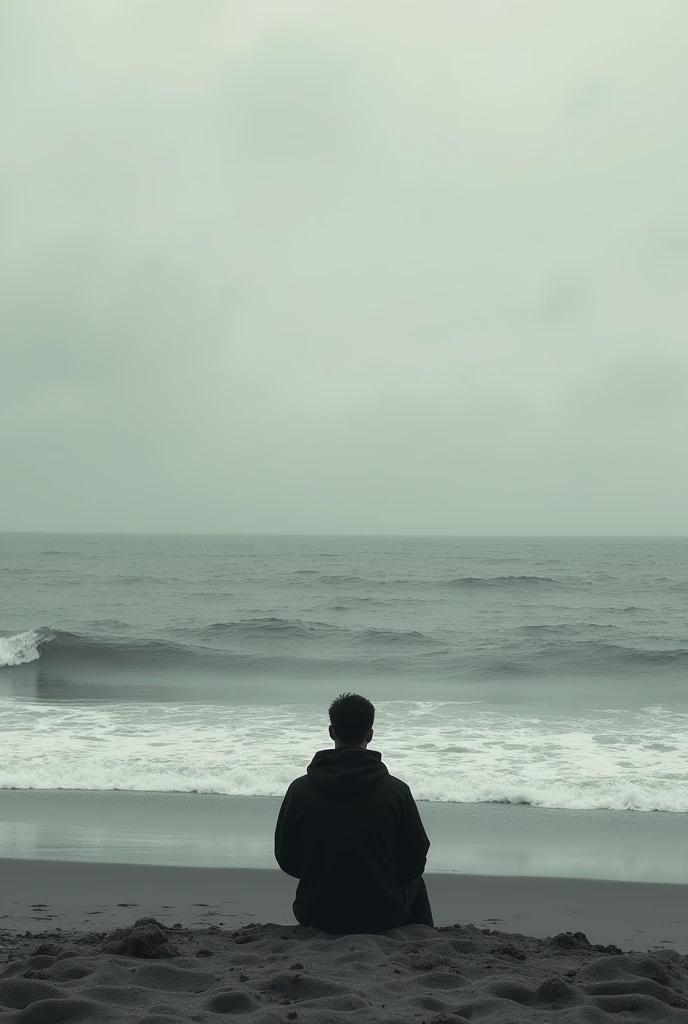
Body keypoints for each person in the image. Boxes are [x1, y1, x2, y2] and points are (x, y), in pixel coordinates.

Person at [274, 692, 434, 933]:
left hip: (315, 913)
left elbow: (286, 857)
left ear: (331, 732)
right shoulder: (396, 791)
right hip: (381, 915)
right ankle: (423, 940)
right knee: (415, 882)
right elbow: (415, 861)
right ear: (369, 735)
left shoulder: (300, 789)